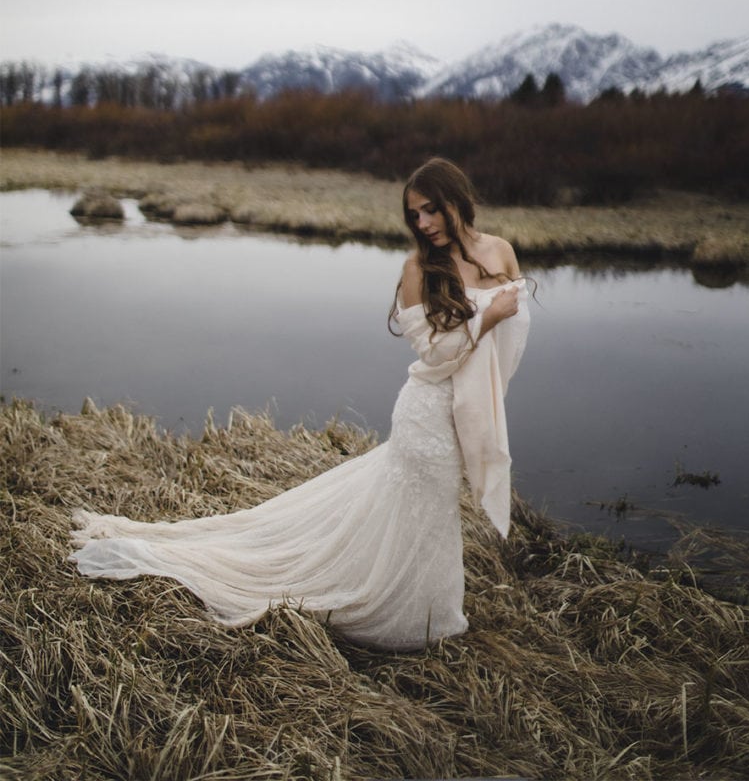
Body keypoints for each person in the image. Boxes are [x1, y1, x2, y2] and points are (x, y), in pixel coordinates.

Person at [71, 157, 530, 652]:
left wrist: (485, 397)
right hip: (428, 416)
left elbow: (516, 338)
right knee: (428, 514)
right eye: (414, 215)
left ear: (456, 200)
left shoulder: (500, 251)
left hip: (467, 413)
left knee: (419, 514)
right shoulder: (418, 269)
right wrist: (485, 319)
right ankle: (413, 617)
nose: (423, 224)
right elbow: (435, 354)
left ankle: (423, 609)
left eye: (430, 210)